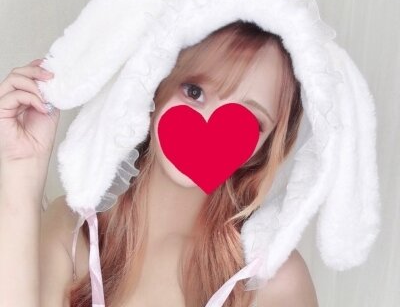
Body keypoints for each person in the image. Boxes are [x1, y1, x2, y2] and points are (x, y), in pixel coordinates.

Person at [0, 20, 319, 306]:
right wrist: (21, 168)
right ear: (156, 80)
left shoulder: (274, 280)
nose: (210, 123)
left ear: (268, 145)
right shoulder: (72, 231)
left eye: (247, 119)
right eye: (194, 91)